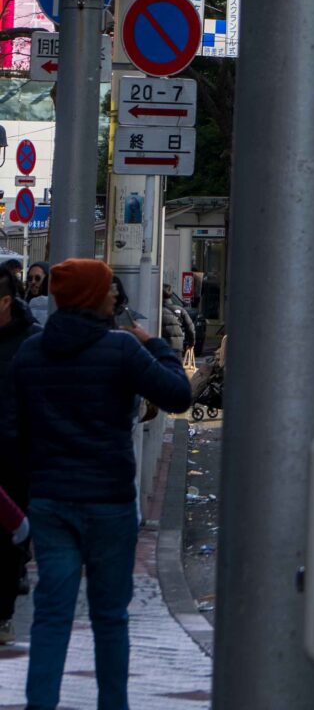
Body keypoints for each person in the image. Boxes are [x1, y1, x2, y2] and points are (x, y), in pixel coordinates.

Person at [2, 256, 189, 710]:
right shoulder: (121, 349)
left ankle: (40, 703)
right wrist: (154, 343)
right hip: (109, 500)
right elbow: (178, 394)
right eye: (108, 290)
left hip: (51, 501)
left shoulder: (31, 352)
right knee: (110, 617)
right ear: (91, 296)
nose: (113, 298)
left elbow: (12, 432)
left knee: (51, 613)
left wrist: (32, 483)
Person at [0, 272, 34, 642]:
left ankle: (3, 614)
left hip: (13, 459)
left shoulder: (30, 341)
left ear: (6, 301)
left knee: (8, 539)